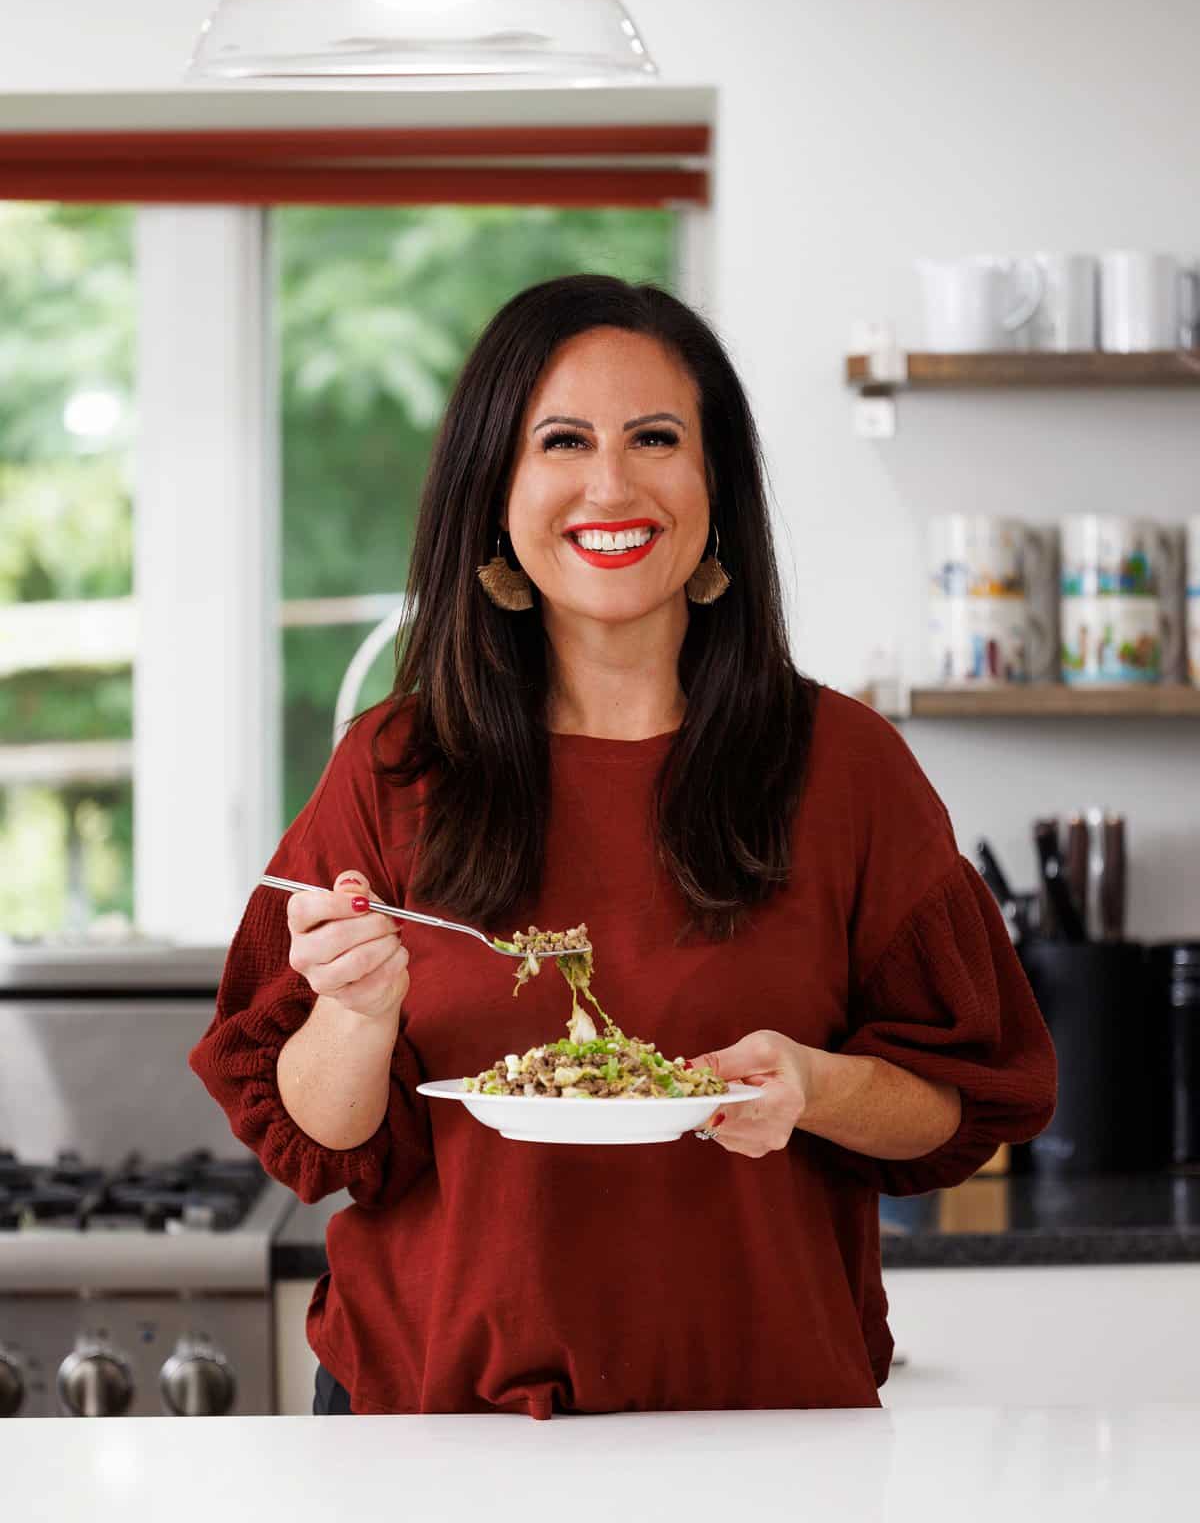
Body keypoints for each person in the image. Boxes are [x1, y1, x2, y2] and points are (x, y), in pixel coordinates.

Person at [189, 274, 1056, 1419]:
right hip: (432, 1428)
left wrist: (813, 1085)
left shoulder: (847, 768)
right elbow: (322, 1135)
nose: (611, 484)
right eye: (563, 440)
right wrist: (354, 1012)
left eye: (655, 438)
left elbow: (960, 1104)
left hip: (762, 1433)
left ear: (715, 485)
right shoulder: (393, 764)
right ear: (496, 489)